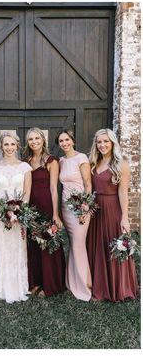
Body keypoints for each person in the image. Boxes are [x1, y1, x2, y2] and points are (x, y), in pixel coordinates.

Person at [87, 128, 139, 301]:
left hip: (112, 209)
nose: (102, 145)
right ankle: (99, 285)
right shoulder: (94, 162)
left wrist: (124, 217)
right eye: (99, 142)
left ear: (112, 143)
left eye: (106, 141)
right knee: (97, 246)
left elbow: (123, 192)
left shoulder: (121, 164)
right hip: (96, 210)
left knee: (112, 245)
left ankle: (117, 287)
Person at [0, 131, 32, 303]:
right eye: (6, 144)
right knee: (2, 247)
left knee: (18, 248)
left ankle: (19, 286)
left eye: (12, 144)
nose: (9, 148)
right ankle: (2, 287)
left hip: (20, 215)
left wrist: (19, 212)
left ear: (17, 146)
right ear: (1, 146)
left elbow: (27, 193)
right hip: (1, 216)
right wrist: (3, 212)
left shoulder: (25, 168)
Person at [24, 127, 65, 297]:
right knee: (33, 243)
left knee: (47, 242)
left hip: (47, 205)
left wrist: (55, 214)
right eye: (31, 139)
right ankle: (36, 281)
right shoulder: (25, 161)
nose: (34, 142)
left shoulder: (51, 161)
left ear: (43, 140)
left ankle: (50, 284)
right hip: (31, 206)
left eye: (37, 138)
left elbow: (54, 189)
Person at [56, 129, 92, 301]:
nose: (64, 143)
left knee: (78, 244)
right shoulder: (61, 161)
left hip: (79, 207)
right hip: (65, 206)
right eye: (61, 141)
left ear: (73, 140)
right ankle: (71, 282)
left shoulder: (81, 158)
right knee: (72, 244)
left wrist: (84, 207)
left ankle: (84, 285)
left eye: (67, 139)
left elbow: (88, 184)